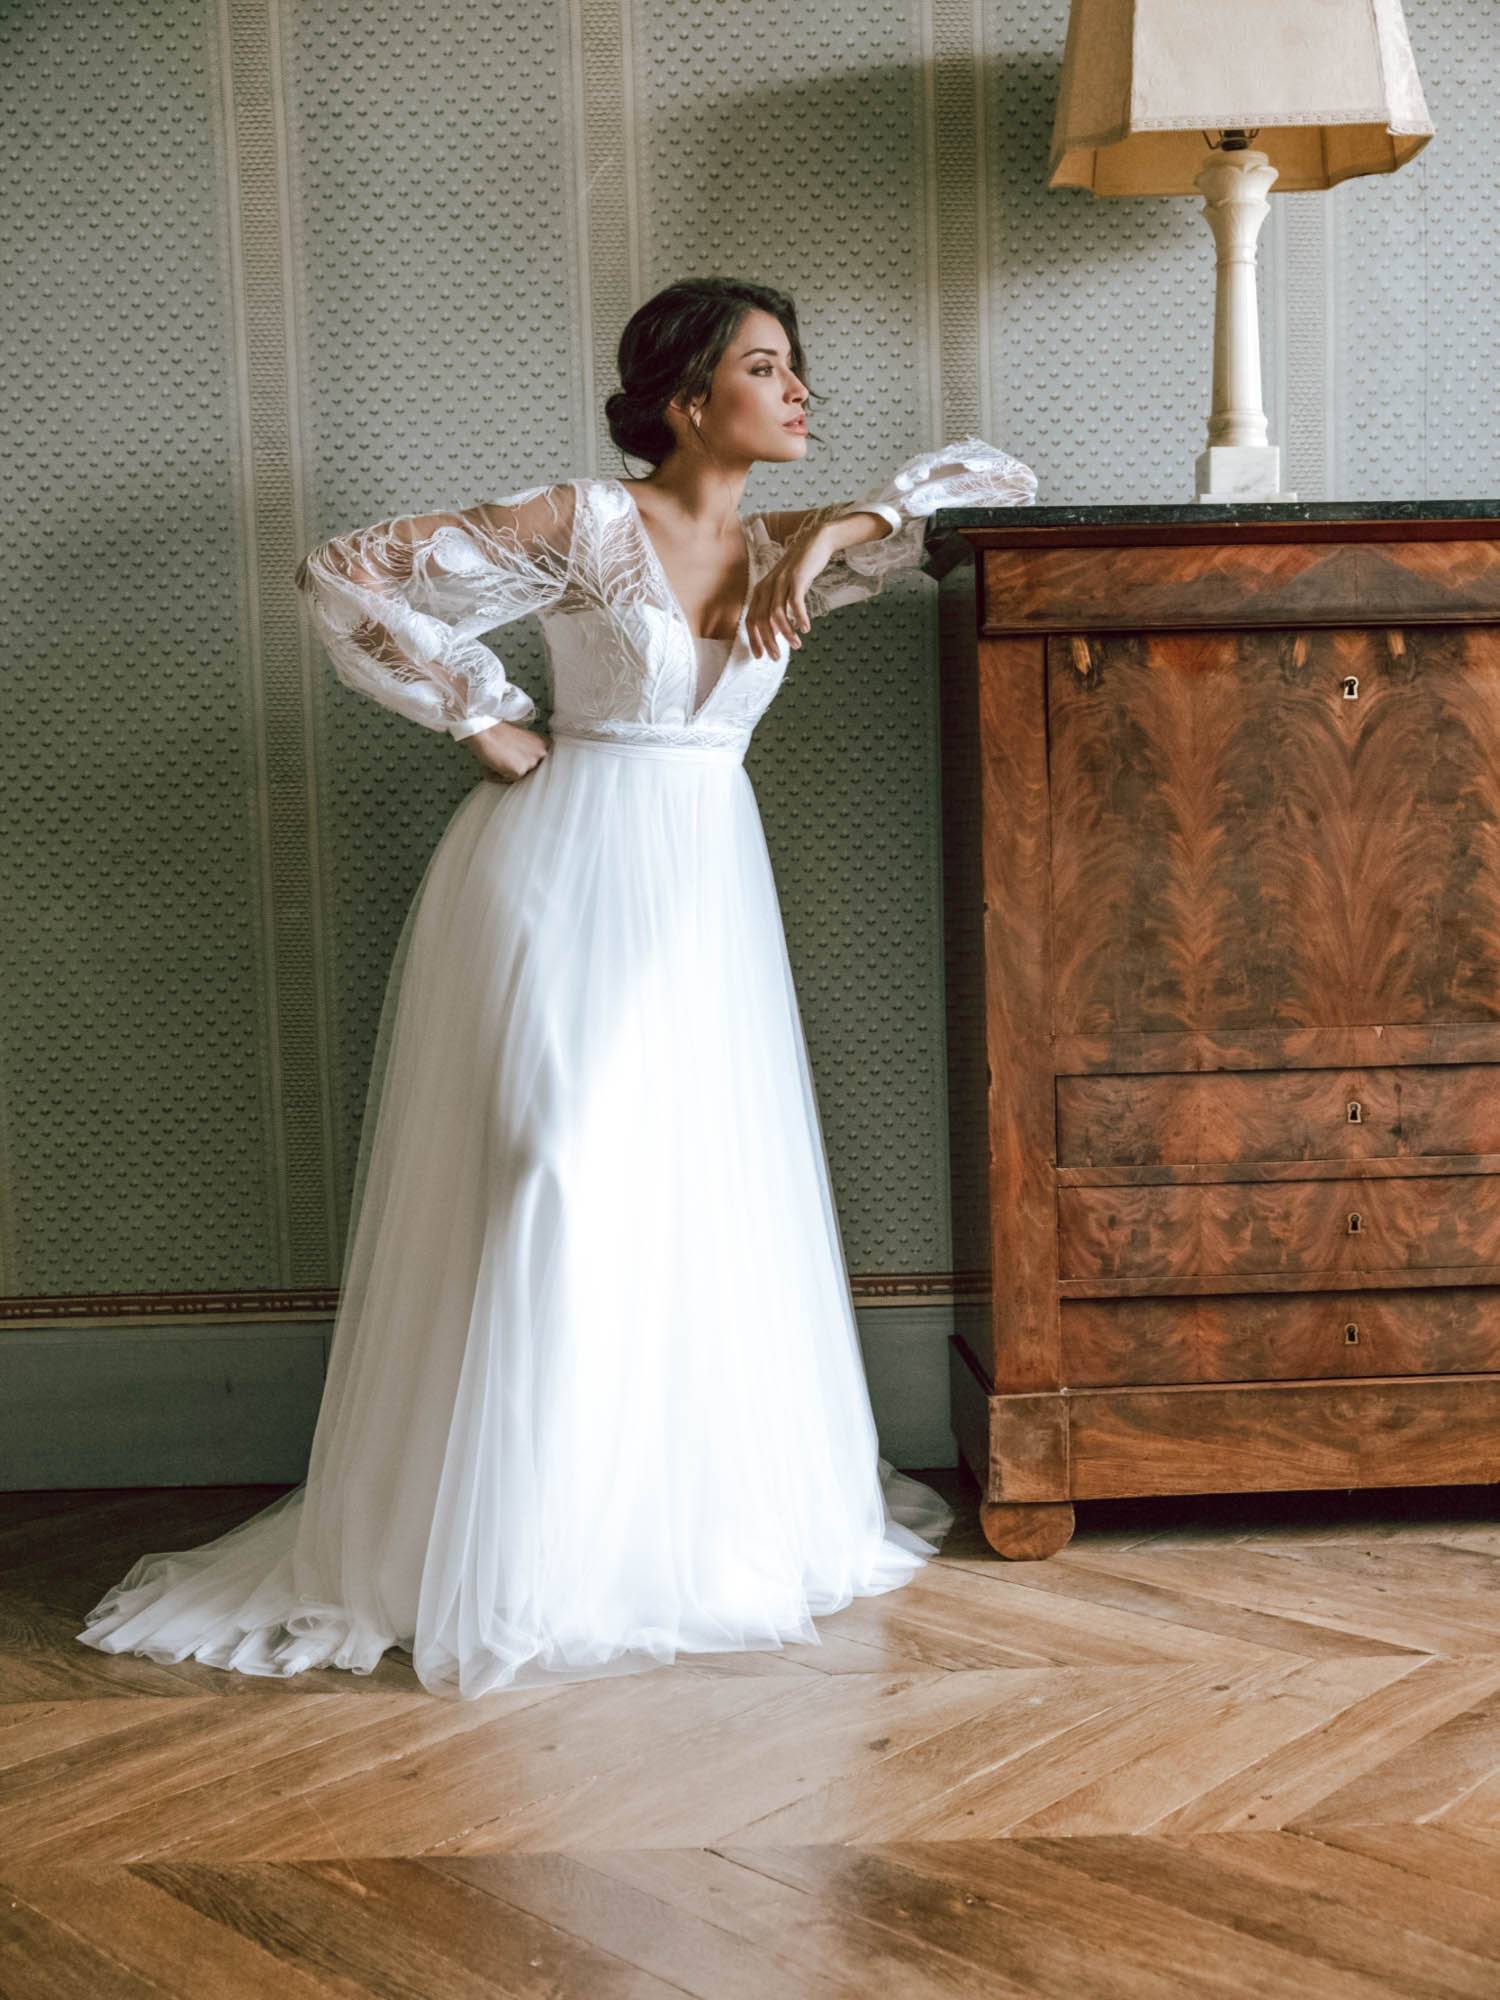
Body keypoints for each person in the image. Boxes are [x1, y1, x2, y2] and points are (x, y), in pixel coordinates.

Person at [76, 277, 1038, 1699]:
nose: (797, 394)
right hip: (561, 869)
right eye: (763, 369)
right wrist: (479, 715)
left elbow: (996, 481)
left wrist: (838, 525)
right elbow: (344, 569)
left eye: (795, 369)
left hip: (706, 892)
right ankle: (504, 1548)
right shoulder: (589, 524)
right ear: (681, 399)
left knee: (687, 1192)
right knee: (554, 1163)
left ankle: (658, 1531)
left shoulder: (792, 547)